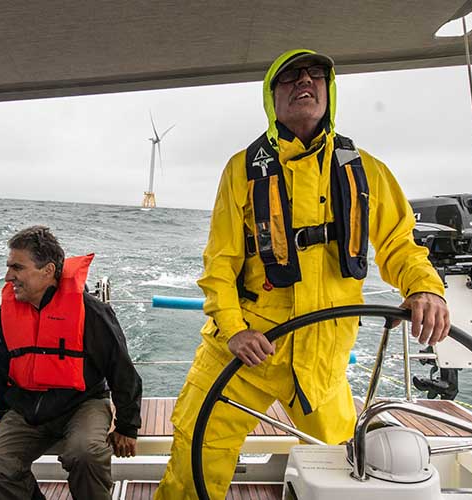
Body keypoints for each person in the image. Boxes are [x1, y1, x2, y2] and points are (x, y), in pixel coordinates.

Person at [154, 49, 450, 499]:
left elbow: (399, 244)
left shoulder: (366, 171)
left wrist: (425, 288)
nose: (304, 82)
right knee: (196, 454)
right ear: (272, 98)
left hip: (323, 359)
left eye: (315, 75)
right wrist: (232, 329)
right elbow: (220, 263)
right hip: (243, 352)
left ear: (330, 92)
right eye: (290, 77)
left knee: (348, 472)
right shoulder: (241, 171)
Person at [0, 225, 143, 500]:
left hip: (83, 403)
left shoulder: (90, 312)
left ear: (48, 270)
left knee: (85, 454)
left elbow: (121, 370)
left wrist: (127, 426)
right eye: (8, 267)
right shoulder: (2, 317)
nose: (8, 277)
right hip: (26, 407)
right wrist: (6, 418)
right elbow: (0, 374)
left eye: (17, 267)